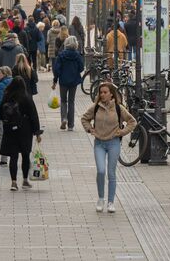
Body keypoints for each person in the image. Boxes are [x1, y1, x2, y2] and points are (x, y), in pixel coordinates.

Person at [80, 83, 137, 213]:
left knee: (111, 173)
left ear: (111, 94)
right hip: (99, 143)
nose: (102, 95)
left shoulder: (118, 108)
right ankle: (101, 199)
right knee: (101, 171)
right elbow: (84, 119)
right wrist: (90, 129)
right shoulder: (95, 107)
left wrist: (122, 132)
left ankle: (111, 202)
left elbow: (132, 121)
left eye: (105, 92)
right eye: (101, 92)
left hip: (113, 143)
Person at [0, 77, 43, 191]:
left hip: (10, 130)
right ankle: (25, 180)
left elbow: (0, 113)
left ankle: (13, 182)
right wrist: (37, 132)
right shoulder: (26, 97)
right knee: (25, 155)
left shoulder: (7, 96)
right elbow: (33, 115)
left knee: (13, 156)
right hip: (25, 129)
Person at [53, 36, 85, 131]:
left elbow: (57, 69)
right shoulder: (77, 55)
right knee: (71, 101)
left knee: (63, 101)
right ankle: (71, 125)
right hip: (73, 80)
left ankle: (64, 118)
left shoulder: (61, 55)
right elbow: (81, 68)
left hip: (63, 81)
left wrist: (55, 80)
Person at [0, 66, 13, 166]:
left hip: (3, 114)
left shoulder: (1, 85)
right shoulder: (14, 82)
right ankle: (13, 155)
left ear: (4, 74)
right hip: (13, 113)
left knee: (3, 136)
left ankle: (4, 158)